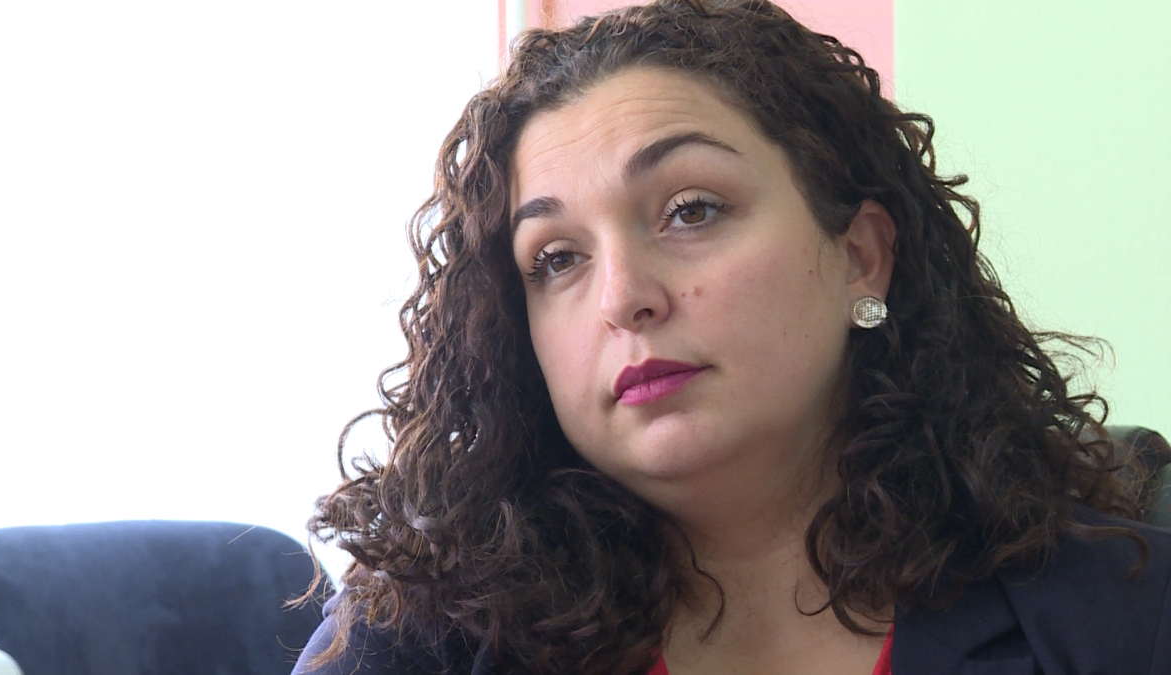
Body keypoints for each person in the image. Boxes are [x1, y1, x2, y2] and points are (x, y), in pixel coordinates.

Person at [292, 1, 1171, 673]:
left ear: (860, 257)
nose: (623, 298)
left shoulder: (1122, 616)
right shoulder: (421, 632)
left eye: (691, 210)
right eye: (556, 258)